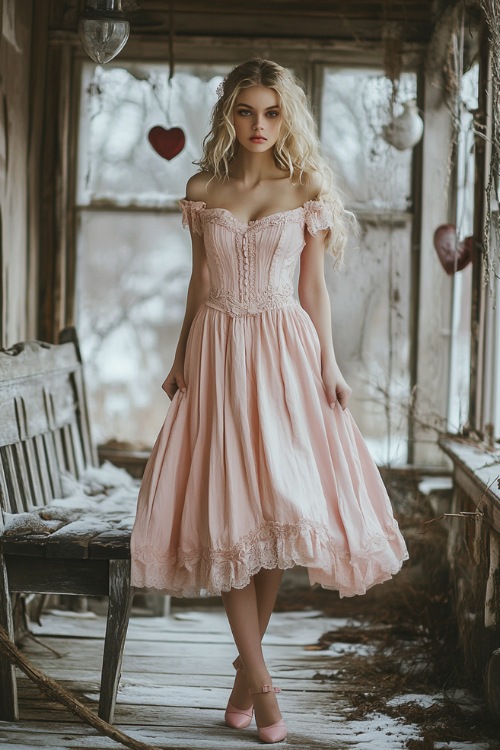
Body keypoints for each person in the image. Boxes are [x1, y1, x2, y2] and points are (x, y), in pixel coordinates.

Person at [131, 58, 408, 744]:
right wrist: (176, 358)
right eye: (247, 111)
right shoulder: (202, 187)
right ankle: (262, 688)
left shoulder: (306, 186)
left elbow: (315, 290)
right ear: (228, 113)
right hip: (218, 352)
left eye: (272, 112)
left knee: (280, 508)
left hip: (286, 352)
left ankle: (242, 677)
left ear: (288, 117)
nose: (259, 125)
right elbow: (199, 284)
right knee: (231, 510)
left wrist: (331, 365)